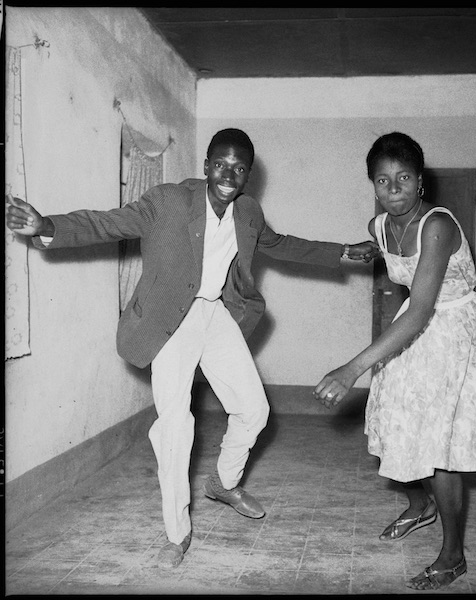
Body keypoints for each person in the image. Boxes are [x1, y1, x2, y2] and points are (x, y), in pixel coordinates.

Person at [5, 128, 379, 570]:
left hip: (214, 314)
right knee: (177, 425)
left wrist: (342, 252)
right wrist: (47, 226)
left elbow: (280, 245)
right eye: (220, 164)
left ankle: (223, 483)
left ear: (248, 176)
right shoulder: (167, 201)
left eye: (239, 168)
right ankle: (176, 534)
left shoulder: (248, 212)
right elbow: (107, 222)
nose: (228, 175)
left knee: (254, 411)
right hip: (169, 320)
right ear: (205, 165)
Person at [314, 132, 476, 590]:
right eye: (382, 180)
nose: (393, 189)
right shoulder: (379, 224)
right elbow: (391, 251)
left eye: (403, 178)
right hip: (417, 330)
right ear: (372, 184)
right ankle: (421, 506)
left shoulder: (438, 225)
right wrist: (366, 249)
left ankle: (453, 555)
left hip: (456, 332)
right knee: (394, 424)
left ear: (420, 183)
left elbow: (418, 311)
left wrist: (351, 368)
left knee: (441, 447)